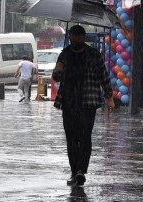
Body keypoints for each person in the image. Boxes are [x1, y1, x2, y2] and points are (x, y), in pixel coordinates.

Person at [52, 25, 115, 186]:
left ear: (84, 37)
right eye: (74, 36)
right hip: (68, 102)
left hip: (88, 103)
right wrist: (58, 70)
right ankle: (75, 171)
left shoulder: (94, 55)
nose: (77, 39)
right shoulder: (64, 55)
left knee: (85, 137)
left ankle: (81, 171)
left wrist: (109, 97)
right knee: (71, 139)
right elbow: (56, 77)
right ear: (71, 37)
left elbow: (104, 76)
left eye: (80, 36)